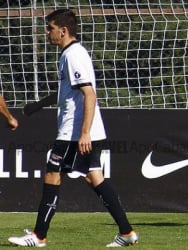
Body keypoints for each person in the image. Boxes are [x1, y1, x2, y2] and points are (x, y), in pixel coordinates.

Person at [8, 9, 138, 247]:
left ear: (63, 31)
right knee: (94, 177)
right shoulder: (69, 54)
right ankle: (127, 233)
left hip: (75, 131)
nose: (47, 32)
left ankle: (38, 236)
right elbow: (67, 92)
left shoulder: (73, 55)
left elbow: (89, 94)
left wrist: (84, 133)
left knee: (52, 173)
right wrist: (38, 105)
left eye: (50, 28)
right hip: (86, 130)